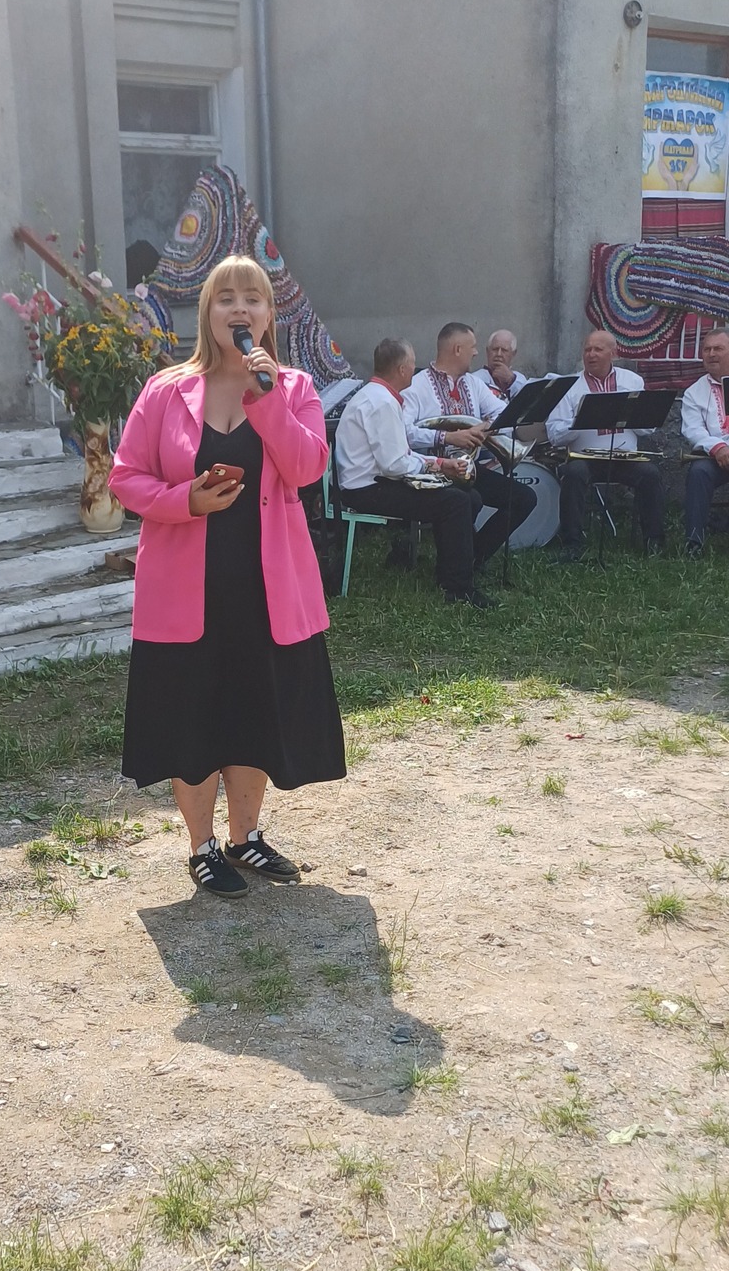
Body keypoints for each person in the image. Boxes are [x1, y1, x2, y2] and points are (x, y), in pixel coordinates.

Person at [109, 252, 346, 900]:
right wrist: (184, 500)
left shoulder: (292, 388)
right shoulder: (165, 390)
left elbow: (306, 469)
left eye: (253, 298)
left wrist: (266, 399)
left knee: (253, 714)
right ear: (207, 313)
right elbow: (125, 477)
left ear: (269, 315)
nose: (240, 308)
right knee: (193, 719)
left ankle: (245, 837)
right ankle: (202, 847)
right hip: (185, 592)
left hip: (268, 592)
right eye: (226, 297)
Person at [334, 337, 490, 608]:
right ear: (402, 369)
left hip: (372, 483)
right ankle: (458, 588)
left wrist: (439, 464)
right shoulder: (382, 402)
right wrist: (435, 467)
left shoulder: (377, 396)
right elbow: (394, 465)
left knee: (468, 497)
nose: (415, 369)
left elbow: (399, 454)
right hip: (366, 490)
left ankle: (454, 569)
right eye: (413, 363)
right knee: (455, 502)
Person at [401, 322, 537, 574]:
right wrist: (448, 437)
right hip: (432, 471)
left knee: (524, 498)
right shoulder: (416, 386)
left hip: (467, 469)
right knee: (469, 500)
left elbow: (503, 415)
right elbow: (404, 432)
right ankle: (454, 567)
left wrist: (483, 427)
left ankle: (474, 557)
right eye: (473, 347)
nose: (476, 353)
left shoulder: (473, 384)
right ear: (457, 349)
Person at [546, 328, 666, 559]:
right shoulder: (569, 386)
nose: (591, 354)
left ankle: (654, 542)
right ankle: (572, 544)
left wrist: (632, 414)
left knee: (651, 474)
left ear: (614, 353)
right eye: (587, 350)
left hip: (625, 458)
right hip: (586, 459)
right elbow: (554, 435)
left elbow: (648, 429)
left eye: (598, 349)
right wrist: (582, 420)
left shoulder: (632, 381)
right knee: (573, 473)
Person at [680, 324, 729, 556]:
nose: (711, 354)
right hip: (715, 458)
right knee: (698, 472)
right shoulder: (693, 392)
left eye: (718, 348)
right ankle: (694, 543)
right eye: (707, 349)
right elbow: (692, 429)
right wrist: (717, 447)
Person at [472, 328, 529, 402]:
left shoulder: (520, 379)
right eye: (495, 349)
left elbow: (527, 401)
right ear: (487, 351)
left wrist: (511, 380)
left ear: (513, 354)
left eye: (504, 350)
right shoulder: (476, 379)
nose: (499, 354)